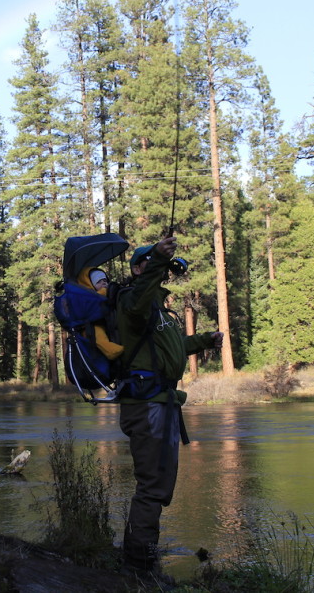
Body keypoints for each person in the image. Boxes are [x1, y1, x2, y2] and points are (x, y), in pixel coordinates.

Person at [115, 235, 223, 575]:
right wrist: (158, 259)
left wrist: (206, 340)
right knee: (152, 484)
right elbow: (139, 298)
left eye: (163, 268)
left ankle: (141, 557)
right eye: (152, 265)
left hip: (163, 403)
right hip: (146, 405)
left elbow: (173, 346)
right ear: (137, 269)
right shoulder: (132, 302)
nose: (161, 273)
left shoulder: (159, 310)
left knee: (160, 484)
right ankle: (139, 565)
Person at [76, 266, 124, 360]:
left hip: (107, 322)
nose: (104, 283)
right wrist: (104, 291)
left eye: (105, 280)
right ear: (90, 284)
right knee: (99, 336)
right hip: (93, 325)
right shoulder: (87, 296)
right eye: (99, 282)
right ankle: (110, 350)